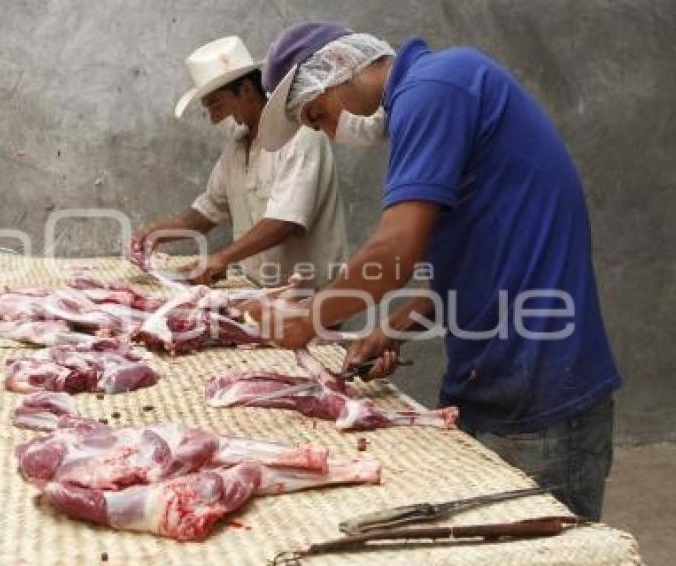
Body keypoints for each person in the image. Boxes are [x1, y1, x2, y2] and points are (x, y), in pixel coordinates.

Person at [250, 22, 621, 519]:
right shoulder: (438, 93)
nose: (333, 134)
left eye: (321, 116)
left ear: (338, 68)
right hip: (498, 378)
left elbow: (396, 250)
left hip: (539, 390)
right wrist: (394, 327)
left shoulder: (434, 89)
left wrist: (310, 318)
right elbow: (475, 253)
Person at [130, 36, 347, 289]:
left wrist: (222, 258)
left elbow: (285, 221)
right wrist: (159, 231)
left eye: (216, 104)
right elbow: (210, 207)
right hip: (257, 289)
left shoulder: (301, 136)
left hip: (312, 293)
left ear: (246, 91)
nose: (213, 119)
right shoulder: (237, 145)